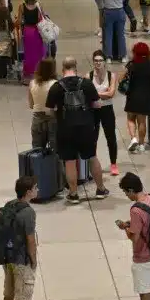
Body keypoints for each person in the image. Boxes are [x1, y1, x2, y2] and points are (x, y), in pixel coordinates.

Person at [47, 57, 111, 202]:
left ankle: (74, 194)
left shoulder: (56, 87)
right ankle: (100, 189)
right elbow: (97, 105)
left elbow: (50, 110)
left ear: (62, 69)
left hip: (65, 128)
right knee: (92, 157)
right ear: (76, 67)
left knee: (69, 161)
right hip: (86, 127)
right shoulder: (86, 83)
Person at [0, 176, 43, 300]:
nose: (38, 190)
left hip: (7, 258)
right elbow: (30, 239)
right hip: (21, 260)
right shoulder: (28, 212)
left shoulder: (10, 205)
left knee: (8, 293)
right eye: (35, 188)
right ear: (28, 192)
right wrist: (34, 259)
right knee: (20, 296)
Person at [90, 50, 122, 174]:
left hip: (107, 109)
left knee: (111, 137)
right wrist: (104, 94)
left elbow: (111, 93)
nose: (98, 63)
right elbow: (88, 95)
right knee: (93, 138)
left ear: (104, 62)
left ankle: (113, 164)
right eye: (96, 61)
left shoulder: (111, 76)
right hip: (93, 110)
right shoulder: (89, 75)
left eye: (100, 61)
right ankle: (93, 164)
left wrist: (96, 94)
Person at [121, 41, 150, 153]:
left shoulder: (131, 65)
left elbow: (121, 78)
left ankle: (134, 139)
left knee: (130, 118)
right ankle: (142, 145)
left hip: (132, 95)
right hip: (145, 96)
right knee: (142, 121)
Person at [27, 57, 58, 154]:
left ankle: (38, 168)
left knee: (37, 150)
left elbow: (31, 105)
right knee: (55, 150)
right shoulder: (55, 84)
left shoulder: (32, 83)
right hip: (52, 118)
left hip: (37, 118)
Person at [18, 0, 47, 83]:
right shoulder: (39, 5)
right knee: (38, 53)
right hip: (37, 31)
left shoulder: (22, 6)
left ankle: (28, 75)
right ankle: (39, 72)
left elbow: (19, 21)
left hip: (27, 31)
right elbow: (42, 18)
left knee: (28, 53)